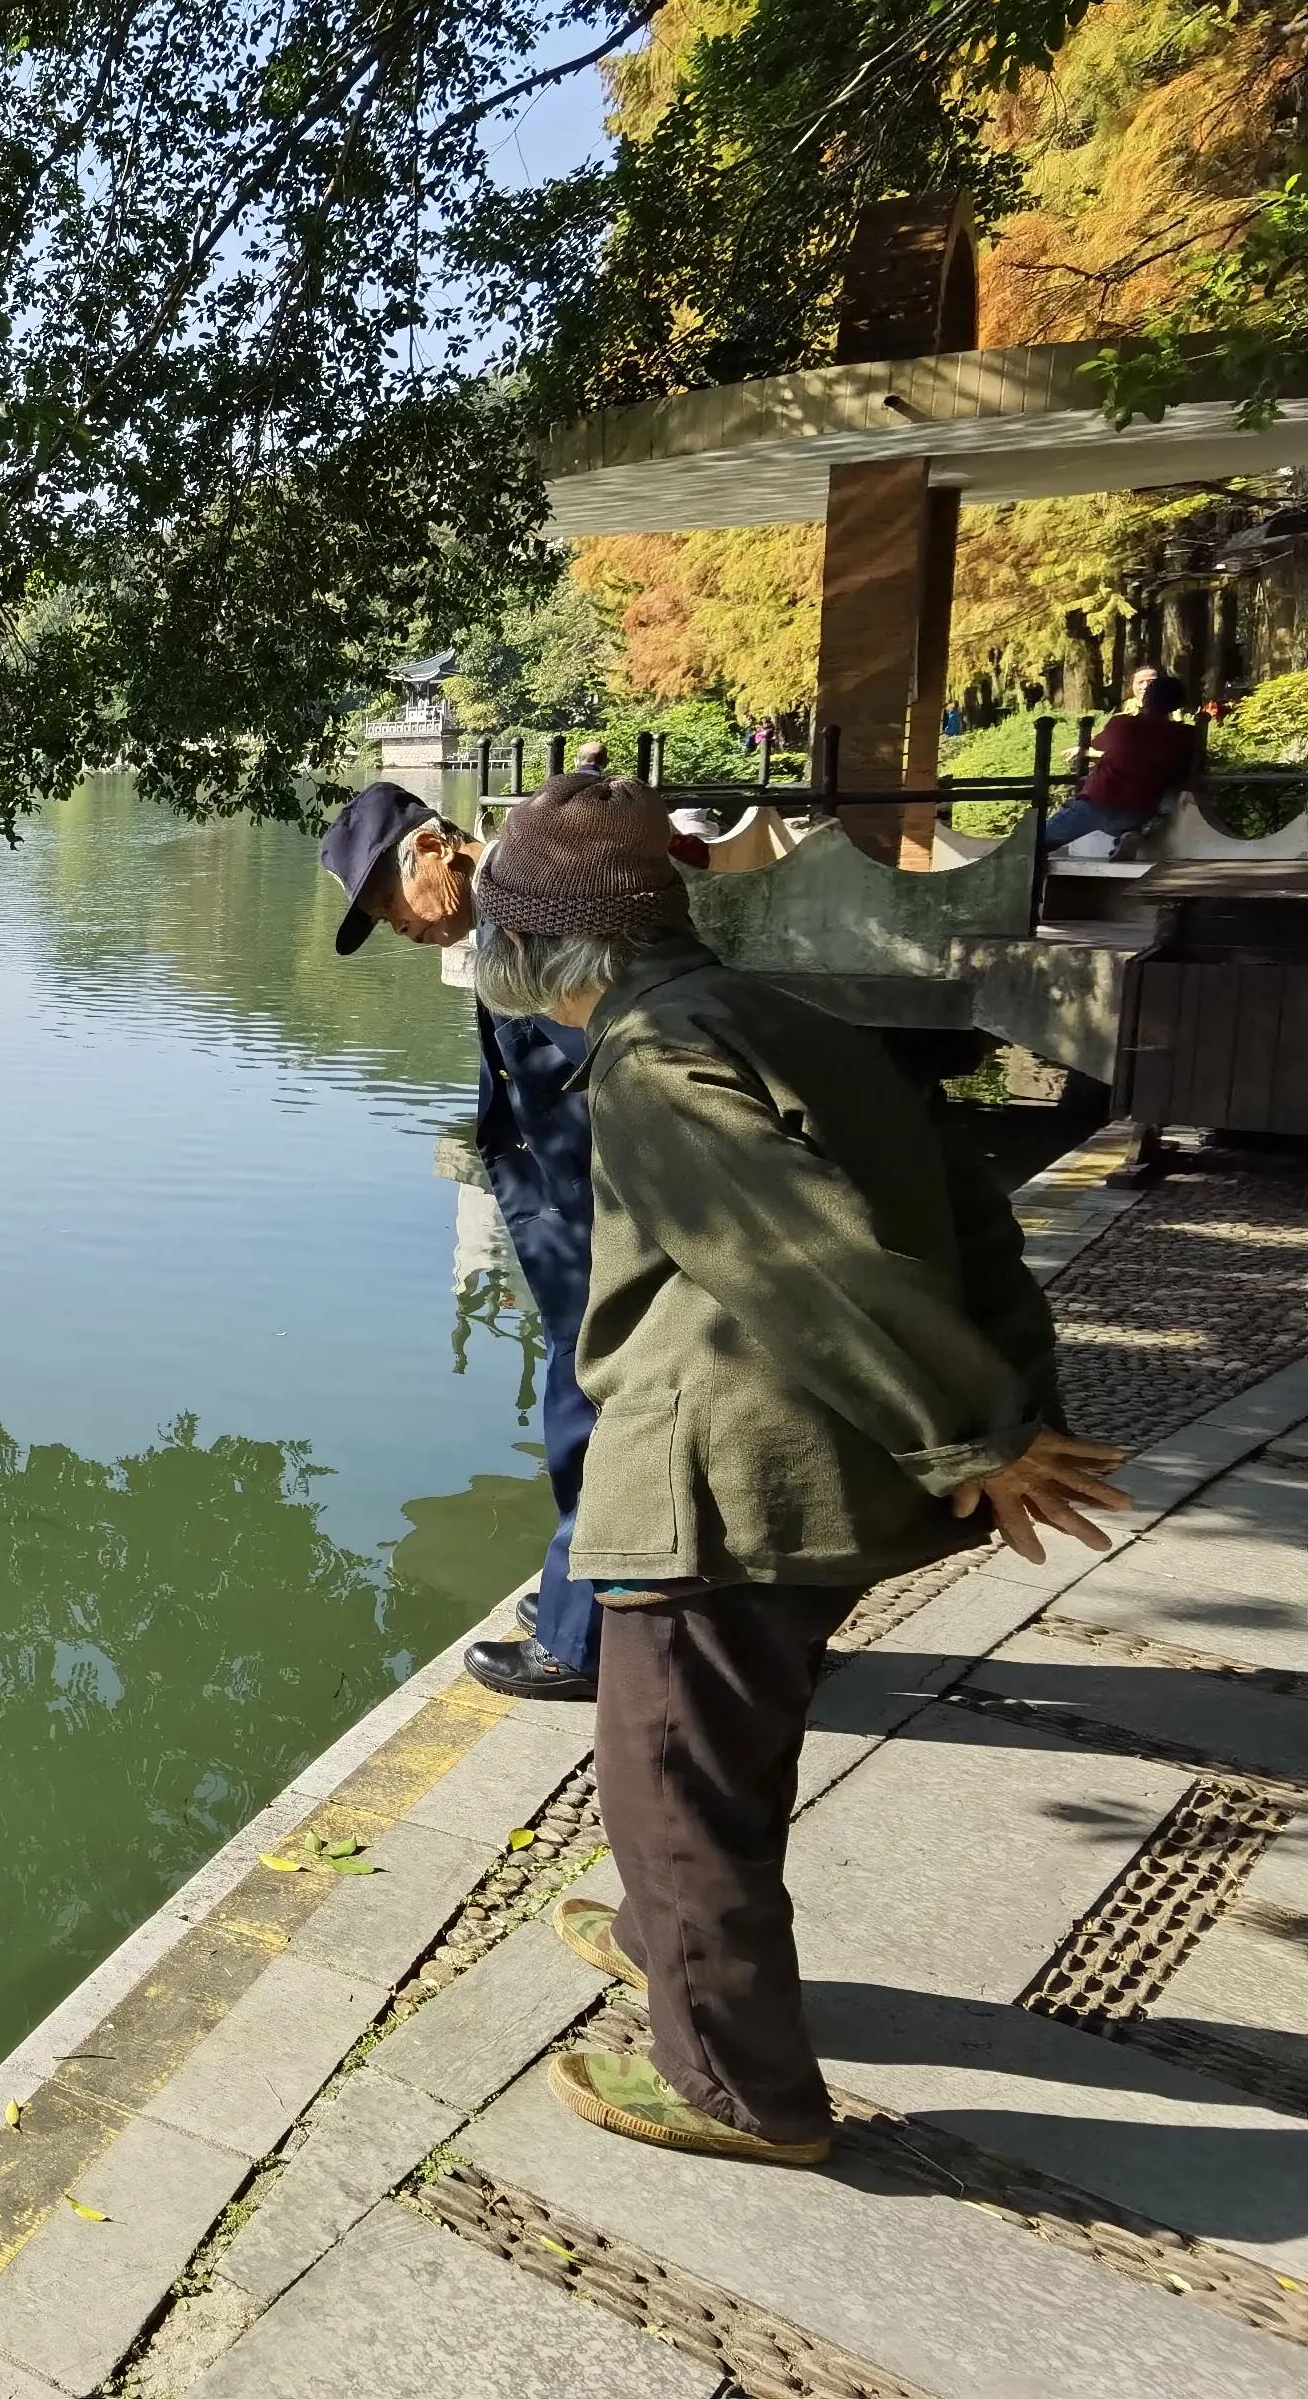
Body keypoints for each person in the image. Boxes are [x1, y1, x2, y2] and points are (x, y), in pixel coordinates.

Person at [468, 773, 1125, 2164]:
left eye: (497, 933)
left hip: (723, 1482)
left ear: (544, 945)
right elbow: (972, 1214)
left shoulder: (651, 1060)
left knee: (670, 1770)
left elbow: (796, 1258)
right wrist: (1009, 1401)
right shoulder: (780, 1015)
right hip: (813, 1477)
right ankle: (662, 1936)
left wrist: (985, 1437)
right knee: (724, 1737)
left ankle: (733, 2085)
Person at [320, 781, 600, 1701]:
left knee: (592, 1411)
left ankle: (583, 1636)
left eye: (385, 903)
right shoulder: (509, 924)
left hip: (604, 1210)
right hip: (563, 1211)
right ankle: (581, 1592)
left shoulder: (540, 920)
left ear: (435, 850)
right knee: (582, 1396)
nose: (396, 929)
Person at [1040, 671, 1197, 859]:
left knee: (1035, 843)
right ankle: (1129, 834)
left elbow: (1097, 745)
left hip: (1097, 801)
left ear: (1146, 698)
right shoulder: (1187, 735)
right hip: (1140, 809)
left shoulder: (1122, 724)